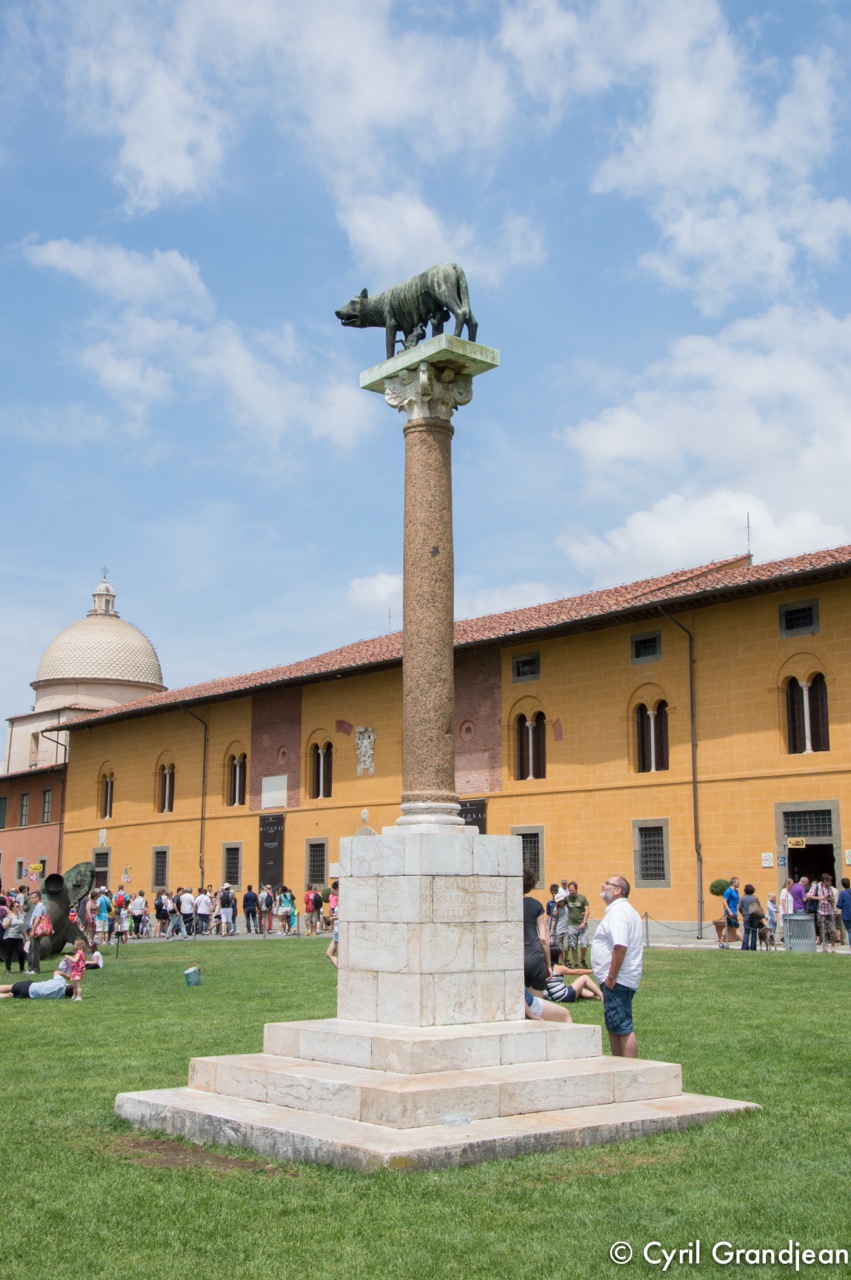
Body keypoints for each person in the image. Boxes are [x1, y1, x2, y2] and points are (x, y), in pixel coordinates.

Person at [591, 875, 643, 1058]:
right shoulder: (623, 911)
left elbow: (620, 946)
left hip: (618, 979)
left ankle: (628, 1070)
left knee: (622, 1027)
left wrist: (611, 977)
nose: (603, 885)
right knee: (615, 1025)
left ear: (618, 890)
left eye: (607, 884)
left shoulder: (619, 912)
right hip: (619, 979)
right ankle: (619, 1065)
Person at [522, 867, 551, 994]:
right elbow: (543, 938)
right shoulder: (536, 905)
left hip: (516, 958)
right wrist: (548, 964)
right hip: (534, 956)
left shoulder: (506, 905)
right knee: (538, 1004)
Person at [0, 958, 74, 999]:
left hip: (29, 987)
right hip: (29, 995)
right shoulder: (61, 996)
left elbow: (56, 972)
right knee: (11, 995)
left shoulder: (61, 982)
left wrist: (67, 976)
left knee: (11, 987)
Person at [807, 873, 837, 952]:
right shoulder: (816, 886)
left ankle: (833, 948)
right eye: (829, 881)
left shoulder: (830, 888)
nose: (830, 882)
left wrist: (831, 900)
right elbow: (809, 895)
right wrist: (820, 898)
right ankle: (825, 947)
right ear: (824, 880)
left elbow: (832, 899)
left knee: (832, 930)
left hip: (829, 911)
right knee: (823, 930)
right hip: (820, 911)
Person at [564, 880, 591, 968]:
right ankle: (576, 964)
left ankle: (582, 959)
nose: (571, 892)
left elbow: (587, 910)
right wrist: (555, 908)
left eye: (573, 890)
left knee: (584, 943)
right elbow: (560, 903)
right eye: (570, 890)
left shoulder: (582, 898)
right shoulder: (567, 898)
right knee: (573, 945)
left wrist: (584, 922)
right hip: (572, 925)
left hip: (582, 924)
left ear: (576, 889)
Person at [26, 890, 49, 974]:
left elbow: (37, 919)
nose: (31, 899)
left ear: (37, 898)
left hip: (36, 931)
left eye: (32, 898)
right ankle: (31, 968)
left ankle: (35, 969)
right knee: (31, 949)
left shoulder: (39, 906)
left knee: (34, 950)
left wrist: (32, 930)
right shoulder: (38, 906)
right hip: (36, 930)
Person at [3, 901, 28, 975]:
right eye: (17, 906)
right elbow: (4, 926)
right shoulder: (9, 915)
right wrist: (10, 919)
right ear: (13, 908)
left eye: (19, 906)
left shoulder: (21, 915)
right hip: (9, 937)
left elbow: (22, 927)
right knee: (8, 953)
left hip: (19, 937)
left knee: (21, 952)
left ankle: (22, 969)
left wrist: (26, 937)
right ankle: (8, 969)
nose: (19, 907)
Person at [715, 876, 740, 948]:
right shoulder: (729, 891)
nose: (739, 883)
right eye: (738, 882)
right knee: (738, 928)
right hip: (730, 913)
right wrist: (729, 910)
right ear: (733, 883)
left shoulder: (736, 891)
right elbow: (724, 901)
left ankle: (721, 941)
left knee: (728, 927)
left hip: (734, 912)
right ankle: (745, 944)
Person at [739, 884, 762, 950]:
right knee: (754, 932)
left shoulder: (742, 898)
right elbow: (759, 908)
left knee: (746, 932)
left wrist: (743, 913)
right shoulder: (756, 898)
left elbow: (740, 907)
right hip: (755, 917)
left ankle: (745, 947)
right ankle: (753, 947)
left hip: (746, 916)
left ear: (745, 890)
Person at [326, 880, 340, 967]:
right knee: (329, 953)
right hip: (336, 930)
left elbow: (346, 916)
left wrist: (333, 918)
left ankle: (343, 976)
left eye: (332, 888)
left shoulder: (344, 900)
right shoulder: (339, 899)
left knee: (341, 958)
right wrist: (335, 914)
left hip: (339, 931)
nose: (331, 890)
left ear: (337, 889)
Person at [837, 877, 851, 948]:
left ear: (842, 885)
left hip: (847, 915)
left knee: (850, 932)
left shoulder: (842, 894)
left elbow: (839, 905)